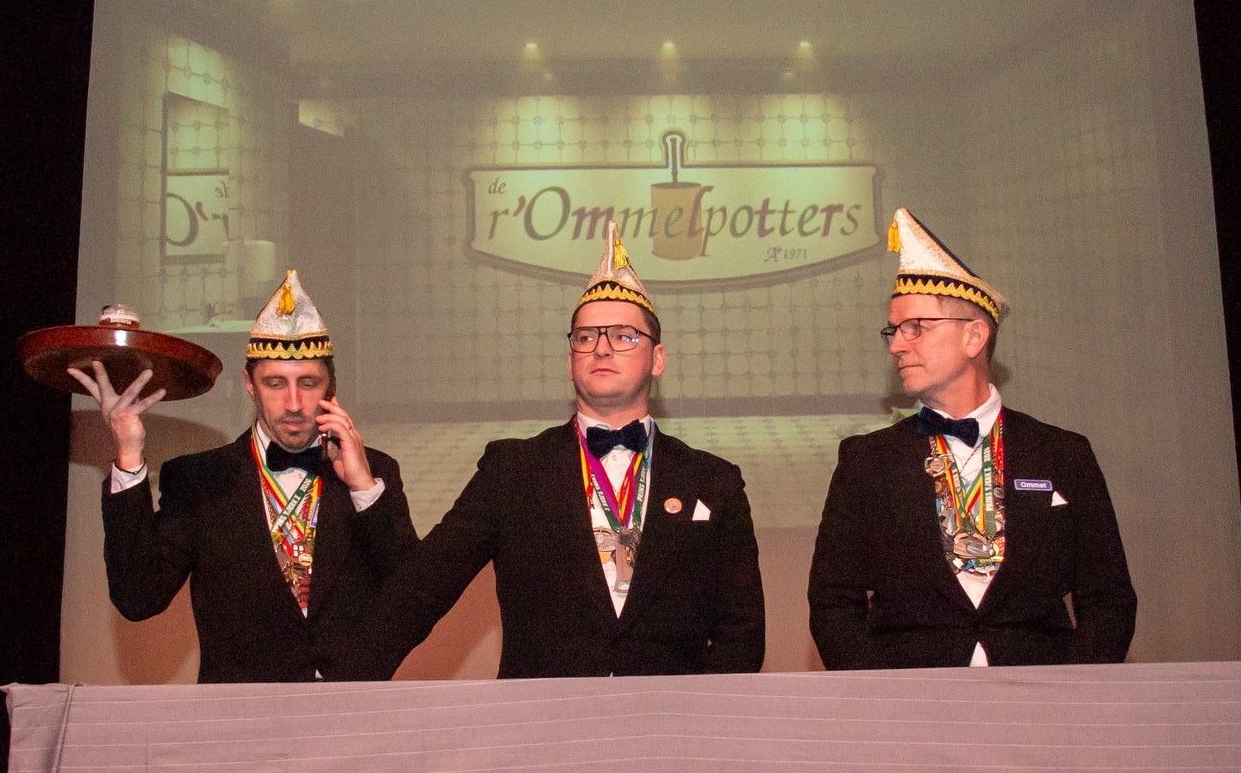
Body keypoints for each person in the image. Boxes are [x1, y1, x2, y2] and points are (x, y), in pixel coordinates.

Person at [354, 221, 765, 679]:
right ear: (570, 362)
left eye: (623, 336)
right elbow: (419, 592)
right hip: (543, 719)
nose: (601, 349)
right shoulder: (512, 472)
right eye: (586, 337)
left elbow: (742, 633)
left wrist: (701, 715)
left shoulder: (714, 482)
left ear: (658, 358)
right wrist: (332, 695)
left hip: (670, 721)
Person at [808, 208, 1136, 669]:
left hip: (1042, 695)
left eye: (915, 328)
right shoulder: (867, 461)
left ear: (974, 337)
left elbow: (1108, 600)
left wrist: (1074, 693)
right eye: (894, 330)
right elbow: (833, 603)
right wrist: (879, 697)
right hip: (911, 697)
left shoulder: (1063, 454)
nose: (896, 345)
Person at [70, 270, 416, 683]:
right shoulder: (199, 478)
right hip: (239, 714)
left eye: (308, 383)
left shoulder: (377, 472)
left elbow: (413, 600)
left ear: (331, 389)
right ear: (249, 385)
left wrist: (363, 488)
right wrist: (128, 454)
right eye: (275, 383)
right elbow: (138, 598)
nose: (293, 403)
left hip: (353, 714)